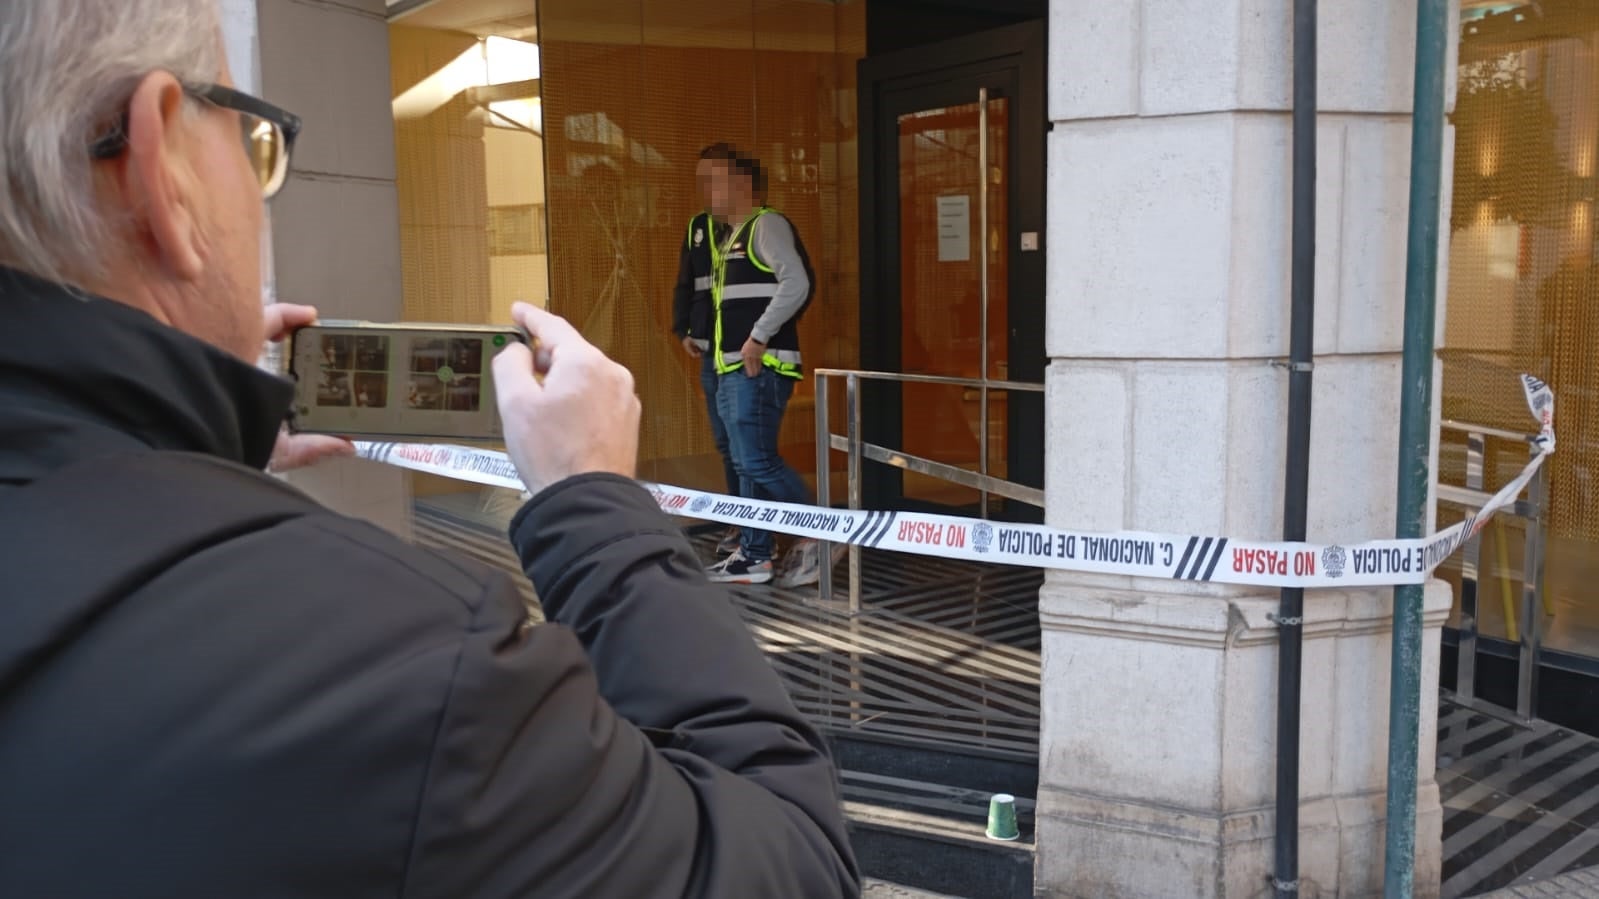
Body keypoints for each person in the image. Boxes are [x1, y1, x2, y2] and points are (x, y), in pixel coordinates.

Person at [0, 3, 859, 897]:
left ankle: (784, 539)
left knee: (758, 465)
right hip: (723, 366)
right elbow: (789, 863)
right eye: (252, 140)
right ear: (159, 167)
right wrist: (597, 503)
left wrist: (178, 435)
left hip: (755, 364)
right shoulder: (413, 670)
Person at [703, 151, 838, 588]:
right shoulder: (731, 236)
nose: (705, 191)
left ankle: (824, 531)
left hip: (757, 366)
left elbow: (796, 283)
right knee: (745, 465)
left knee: (756, 461)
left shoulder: (766, 224)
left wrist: (758, 338)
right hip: (734, 366)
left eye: (714, 180)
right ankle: (755, 555)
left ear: (743, 183)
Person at [672, 143, 740, 555]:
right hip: (709, 352)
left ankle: (763, 527)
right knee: (725, 444)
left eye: (713, 178)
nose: (706, 187)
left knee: (746, 447)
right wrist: (683, 329)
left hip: (743, 353)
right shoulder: (698, 226)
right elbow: (687, 282)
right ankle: (742, 524)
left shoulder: (753, 225)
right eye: (702, 180)